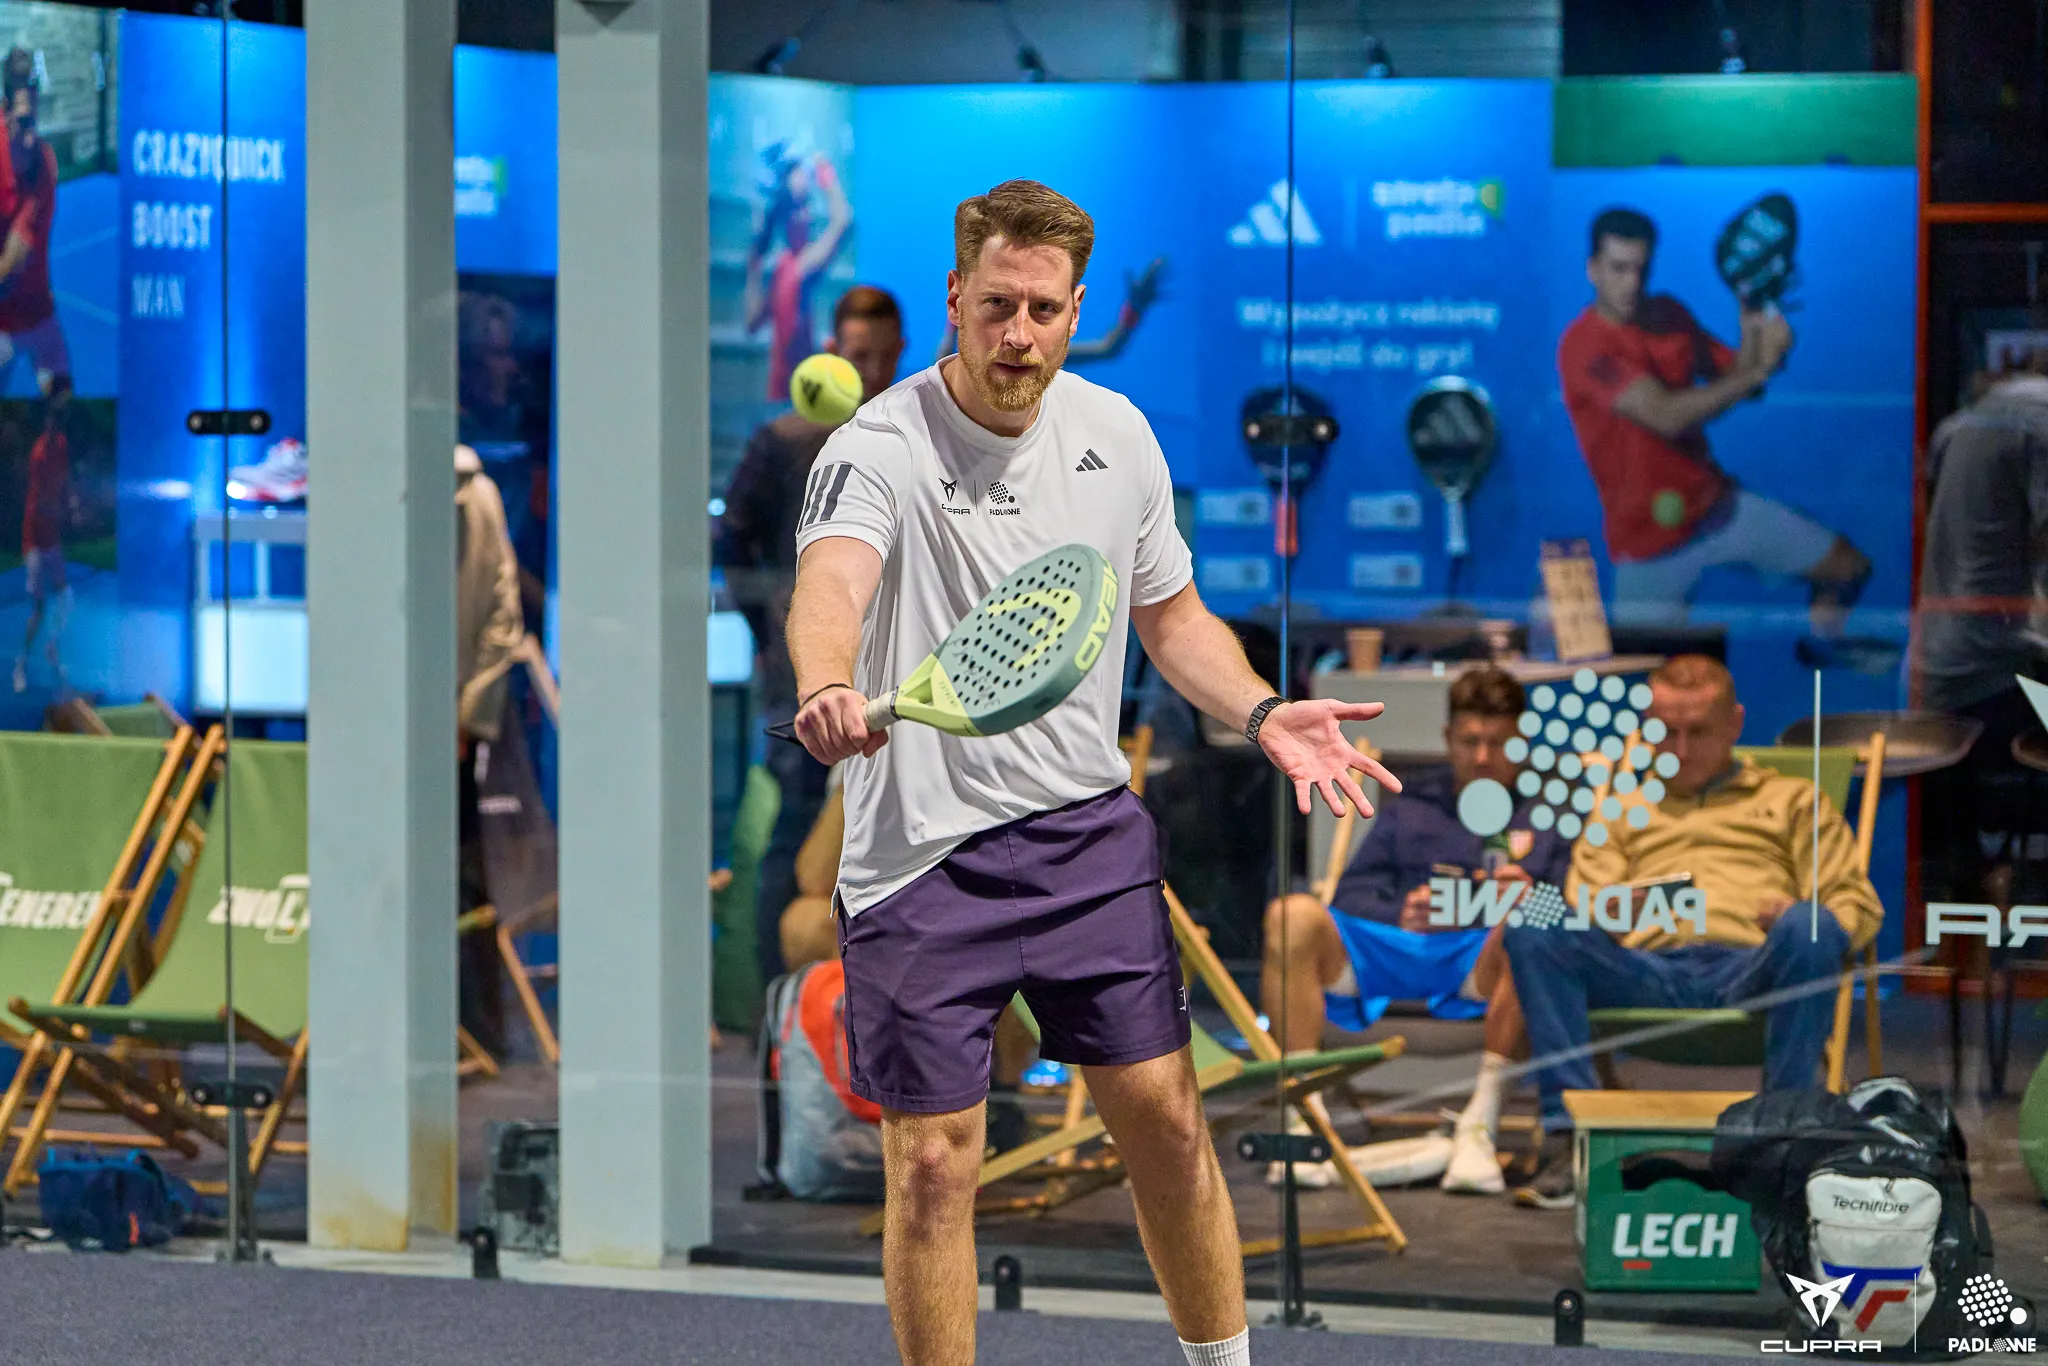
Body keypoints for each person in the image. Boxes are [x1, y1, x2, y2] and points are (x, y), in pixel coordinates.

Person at [786, 178, 1397, 1366]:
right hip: (921, 861)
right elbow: (832, 588)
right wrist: (823, 680)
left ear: (1076, 312)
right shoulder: (875, 448)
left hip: (1084, 839)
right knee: (927, 1168)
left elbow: (1173, 622)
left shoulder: (1116, 435)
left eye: (1045, 310)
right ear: (954, 297)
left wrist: (1263, 710)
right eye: (998, 305)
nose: (1019, 335)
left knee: (1167, 1121)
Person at [1503, 655, 1883, 1210]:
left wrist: (1797, 915)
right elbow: (1584, 907)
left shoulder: (1791, 802)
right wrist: (1610, 909)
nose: (1679, 750)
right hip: (1646, 971)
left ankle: (1780, 1138)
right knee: (1534, 919)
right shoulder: (1620, 808)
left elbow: (1855, 904)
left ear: (1735, 723)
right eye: (1665, 733)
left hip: (1755, 969)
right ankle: (1569, 1135)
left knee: (1813, 924)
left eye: (1698, 732)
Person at [1262, 666, 1569, 1195]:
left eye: (1498, 743)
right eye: (1470, 741)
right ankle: (1303, 1124)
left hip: (1481, 965)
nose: (1481, 756)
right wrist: (1402, 909)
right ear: (1449, 740)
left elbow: (1576, 913)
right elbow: (1350, 896)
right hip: (1391, 952)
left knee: (1534, 931)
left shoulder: (1549, 813)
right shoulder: (1412, 805)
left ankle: (1480, 1125)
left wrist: (1532, 900)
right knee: (1291, 917)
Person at [719, 284, 907, 995]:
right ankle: (783, 1023)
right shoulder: (781, 443)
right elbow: (734, 547)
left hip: (895, 682)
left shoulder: (914, 436)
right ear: (834, 351)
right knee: (795, 838)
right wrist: (777, 641)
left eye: (883, 355)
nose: (870, 368)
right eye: (858, 354)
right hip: (803, 679)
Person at [1558, 207, 1869, 634]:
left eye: (1641, 269)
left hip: (1717, 508)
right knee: (1640, 686)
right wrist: (1757, 370)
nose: (1631, 283)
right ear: (1592, 269)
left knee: (1847, 568)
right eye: (1618, 269)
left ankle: (1822, 647)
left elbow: (1740, 380)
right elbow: (1665, 415)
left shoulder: (1669, 313)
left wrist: (1756, 328)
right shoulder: (1582, 346)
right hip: (1647, 545)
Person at [1915, 354, 2048, 904]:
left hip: (1940, 666)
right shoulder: (2040, 420)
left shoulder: (1961, 421)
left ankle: (1978, 877)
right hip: (1999, 675)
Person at [455, 443, 527, 1058]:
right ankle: (474, 1035)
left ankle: (474, 1035)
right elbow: (503, 612)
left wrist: (465, 716)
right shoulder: (476, 490)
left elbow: (503, 614)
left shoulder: (472, 492)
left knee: (461, 878)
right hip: (422, 724)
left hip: (442, 725)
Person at [3, 46, 71, 697]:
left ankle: (46, 659)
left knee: (61, 601)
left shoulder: (45, 165)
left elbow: (15, 256)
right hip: (34, 542)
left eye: (35, 97)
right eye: (19, 95)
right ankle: (29, 660)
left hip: (36, 314)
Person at [746, 145, 853, 402]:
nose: (804, 215)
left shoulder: (805, 263)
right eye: (798, 208)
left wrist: (824, 171)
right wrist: (756, 259)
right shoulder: (782, 268)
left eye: (806, 206)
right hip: (780, 392)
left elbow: (842, 221)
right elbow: (752, 323)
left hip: (803, 395)